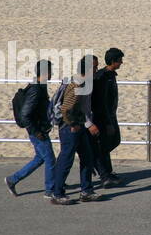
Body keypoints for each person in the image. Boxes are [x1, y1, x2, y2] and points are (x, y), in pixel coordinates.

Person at [6, 60, 70, 203]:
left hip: (39, 129)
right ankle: (50, 190)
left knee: (40, 158)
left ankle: (12, 179)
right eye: (50, 70)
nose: (52, 73)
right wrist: (36, 131)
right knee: (50, 159)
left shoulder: (40, 87)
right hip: (37, 130)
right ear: (45, 72)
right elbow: (25, 114)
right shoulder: (36, 89)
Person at [53, 54, 100, 202]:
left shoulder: (85, 82)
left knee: (87, 158)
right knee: (66, 160)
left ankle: (86, 191)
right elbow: (67, 108)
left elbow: (83, 108)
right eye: (95, 67)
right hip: (71, 128)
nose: (97, 69)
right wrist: (74, 124)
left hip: (80, 127)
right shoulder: (77, 84)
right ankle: (57, 193)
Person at [90, 49, 124, 187]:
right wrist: (108, 122)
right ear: (113, 61)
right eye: (120, 60)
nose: (122, 62)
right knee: (104, 146)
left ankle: (107, 172)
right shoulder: (103, 77)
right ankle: (104, 174)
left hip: (110, 115)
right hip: (103, 117)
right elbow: (101, 103)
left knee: (113, 142)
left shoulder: (110, 75)